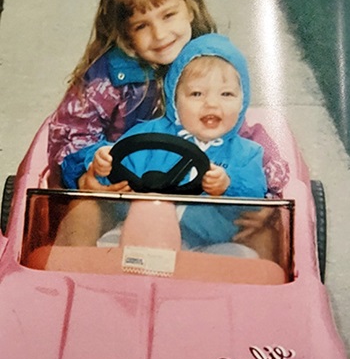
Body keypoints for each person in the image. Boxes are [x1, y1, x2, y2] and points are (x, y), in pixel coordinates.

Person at [48, 0, 289, 199]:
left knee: (256, 216)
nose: (160, 35)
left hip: (194, 191)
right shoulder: (106, 81)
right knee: (84, 212)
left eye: (169, 15)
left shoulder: (206, 62)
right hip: (122, 188)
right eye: (142, 26)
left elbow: (235, 131)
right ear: (126, 34)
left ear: (190, 9)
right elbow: (70, 136)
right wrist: (86, 174)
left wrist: (266, 199)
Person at [68, 34, 268, 251]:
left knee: (241, 255)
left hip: (206, 246)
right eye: (196, 94)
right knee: (91, 223)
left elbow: (254, 200)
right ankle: (70, 274)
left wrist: (228, 185)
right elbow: (114, 172)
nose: (211, 104)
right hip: (136, 235)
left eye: (226, 94)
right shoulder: (148, 135)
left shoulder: (246, 153)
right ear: (174, 98)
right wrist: (101, 165)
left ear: (242, 102)